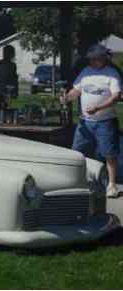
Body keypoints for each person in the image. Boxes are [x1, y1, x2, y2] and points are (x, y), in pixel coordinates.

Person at [60, 44, 121, 198]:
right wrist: (67, 97)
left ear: (103, 59)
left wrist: (98, 108)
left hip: (105, 122)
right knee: (77, 153)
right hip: (85, 121)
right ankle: (77, 181)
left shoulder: (112, 74)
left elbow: (116, 96)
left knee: (109, 154)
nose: (92, 61)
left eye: (95, 59)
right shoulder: (86, 72)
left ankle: (112, 185)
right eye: (91, 59)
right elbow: (77, 90)